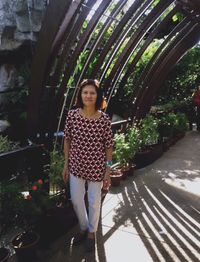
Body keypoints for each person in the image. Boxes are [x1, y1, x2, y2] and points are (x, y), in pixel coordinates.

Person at [62, 79, 113, 252]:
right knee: (76, 200)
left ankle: (91, 232)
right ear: (80, 95)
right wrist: (65, 165)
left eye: (92, 92)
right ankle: (83, 226)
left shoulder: (104, 119)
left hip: (97, 167)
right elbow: (67, 140)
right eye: (85, 92)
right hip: (76, 165)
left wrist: (108, 169)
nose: (88, 95)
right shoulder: (72, 115)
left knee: (94, 202)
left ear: (97, 96)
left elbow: (108, 146)